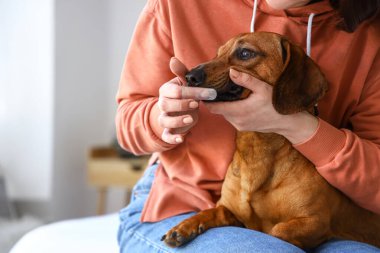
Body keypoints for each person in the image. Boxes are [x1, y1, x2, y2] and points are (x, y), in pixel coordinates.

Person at [116, 0, 380, 252]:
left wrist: (297, 125)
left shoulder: (368, 35)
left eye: (243, 54)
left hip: (312, 211)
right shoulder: (176, 5)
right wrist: (161, 117)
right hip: (180, 203)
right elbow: (127, 122)